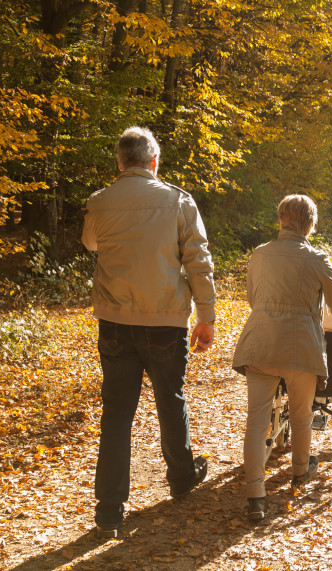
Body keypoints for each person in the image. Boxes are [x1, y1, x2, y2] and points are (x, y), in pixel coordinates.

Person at [81, 126, 216, 539]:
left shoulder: (99, 202)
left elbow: (91, 244)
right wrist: (206, 315)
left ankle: (108, 511)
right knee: (170, 401)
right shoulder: (178, 200)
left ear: (120, 163)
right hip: (164, 320)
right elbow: (198, 259)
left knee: (117, 413)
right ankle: (180, 478)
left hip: (116, 321)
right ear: (154, 161)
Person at [232, 194, 332, 522]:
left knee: (256, 419)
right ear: (310, 225)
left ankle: (255, 494)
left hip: (260, 344)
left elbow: (252, 297)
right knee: (302, 415)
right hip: (300, 348)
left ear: (281, 221)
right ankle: (300, 472)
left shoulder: (259, 255)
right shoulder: (317, 258)